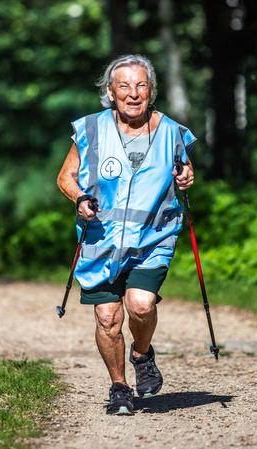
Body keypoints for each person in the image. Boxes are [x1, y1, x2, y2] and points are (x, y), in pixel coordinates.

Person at [56, 54, 196, 415]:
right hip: (100, 240)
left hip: (153, 238)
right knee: (107, 317)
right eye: (124, 86)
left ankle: (142, 354)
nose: (133, 94)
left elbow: (183, 168)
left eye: (141, 85)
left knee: (140, 304)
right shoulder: (88, 128)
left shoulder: (172, 131)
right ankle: (119, 388)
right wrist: (80, 198)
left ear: (151, 90)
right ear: (110, 91)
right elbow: (65, 177)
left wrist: (185, 177)